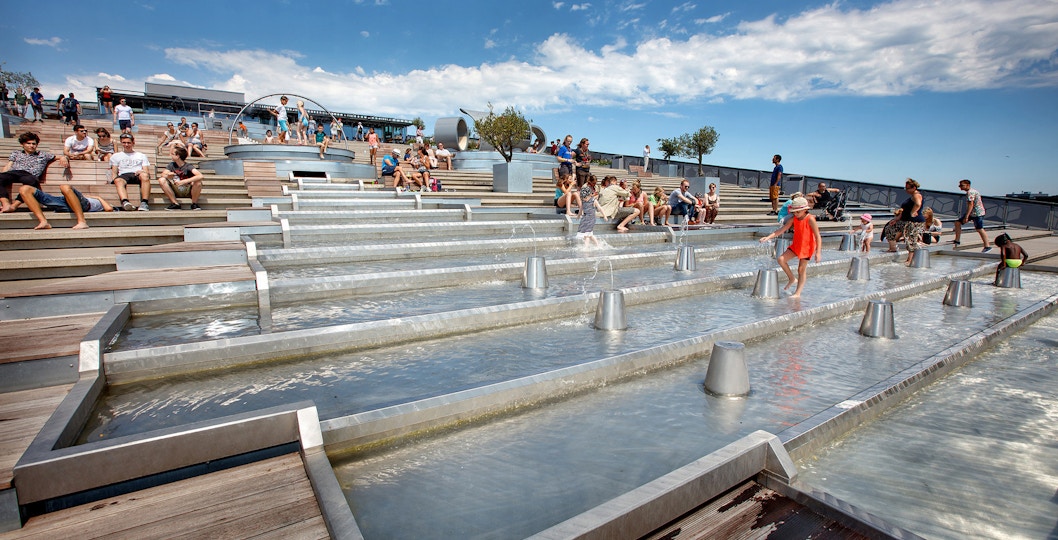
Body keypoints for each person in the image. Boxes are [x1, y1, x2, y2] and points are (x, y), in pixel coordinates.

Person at [759, 197, 822, 298]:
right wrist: (768, 237)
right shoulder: (794, 219)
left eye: (798, 212)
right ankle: (792, 278)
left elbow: (818, 236)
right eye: (794, 212)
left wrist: (818, 252)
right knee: (781, 259)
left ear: (805, 210)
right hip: (796, 245)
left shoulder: (810, 219)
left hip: (807, 247)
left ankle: (798, 292)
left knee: (801, 269)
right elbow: (781, 230)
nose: (796, 214)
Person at [1, 132, 69, 213]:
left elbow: (60, 156)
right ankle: (5, 204)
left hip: (30, 175)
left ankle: (14, 206)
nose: (31, 145)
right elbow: (9, 165)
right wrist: (3, 176)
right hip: (14, 173)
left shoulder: (43, 155)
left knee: (32, 181)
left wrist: (64, 157)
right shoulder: (16, 153)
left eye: (34, 143)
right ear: (22, 144)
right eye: (28, 143)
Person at [16, 183, 113, 230]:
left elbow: (109, 209)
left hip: (84, 205)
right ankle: (43, 221)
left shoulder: (99, 201)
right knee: (24, 189)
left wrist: (98, 197)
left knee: (64, 186)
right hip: (65, 202)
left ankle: (82, 221)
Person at [109, 133, 152, 211]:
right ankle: (125, 202)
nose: (126, 145)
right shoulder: (116, 156)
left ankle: (144, 202)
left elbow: (146, 172)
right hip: (124, 175)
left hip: (137, 174)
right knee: (118, 180)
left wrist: (141, 171)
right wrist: (114, 181)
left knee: (145, 176)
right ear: (121, 143)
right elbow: (114, 172)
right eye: (124, 143)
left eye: (129, 143)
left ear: (133, 143)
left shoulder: (141, 155)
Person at [952, 179, 991, 252]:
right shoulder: (972, 191)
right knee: (957, 223)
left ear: (968, 185)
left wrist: (967, 216)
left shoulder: (970, 192)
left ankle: (987, 246)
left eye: (962, 185)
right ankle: (957, 240)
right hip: (973, 213)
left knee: (979, 228)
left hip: (977, 213)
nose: (960, 187)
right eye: (959, 185)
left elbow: (971, 204)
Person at [160, 146, 204, 210]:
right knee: (162, 180)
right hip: (176, 188)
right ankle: (175, 203)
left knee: (198, 182)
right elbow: (163, 174)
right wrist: (168, 175)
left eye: (172, 154)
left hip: (187, 189)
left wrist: (184, 181)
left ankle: (194, 204)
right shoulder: (171, 165)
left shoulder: (188, 166)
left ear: (178, 156)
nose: (170, 155)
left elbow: (200, 176)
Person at [897, 178, 925, 265]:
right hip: (911, 220)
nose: (906, 190)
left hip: (914, 221)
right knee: (910, 238)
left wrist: (913, 212)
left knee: (910, 239)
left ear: (914, 188)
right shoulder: (913, 195)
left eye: (908, 188)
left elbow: (918, 204)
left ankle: (910, 260)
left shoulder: (916, 195)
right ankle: (911, 259)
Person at [576, 174, 600, 245]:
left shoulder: (595, 187)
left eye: (595, 183)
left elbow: (597, 195)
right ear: (590, 181)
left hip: (591, 209)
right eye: (593, 183)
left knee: (588, 233)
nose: (594, 184)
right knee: (588, 233)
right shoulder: (585, 187)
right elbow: (583, 198)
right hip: (587, 208)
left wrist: (594, 198)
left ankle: (589, 246)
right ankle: (596, 245)